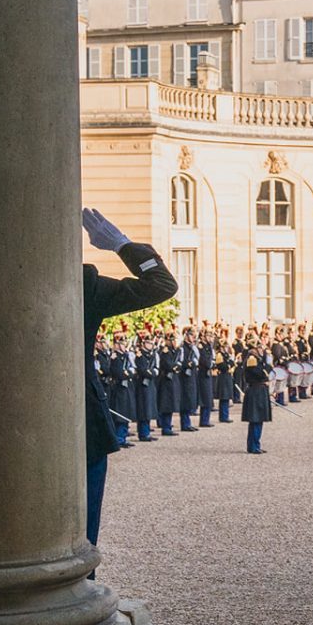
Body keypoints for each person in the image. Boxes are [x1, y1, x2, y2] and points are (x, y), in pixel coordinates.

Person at [80, 209, 178, 548]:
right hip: (81, 422)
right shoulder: (82, 284)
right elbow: (162, 285)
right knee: (83, 532)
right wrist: (122, 246)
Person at [241, 347, 273, 454]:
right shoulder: (252, 359)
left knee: (259, 420)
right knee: (255, 420)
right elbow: (259, 374)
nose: (262, 350)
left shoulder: (258, 359)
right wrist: (268, 367)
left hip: (260, 390)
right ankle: (253, 446)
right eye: (259, 347)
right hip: (255, 391)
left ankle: (255, 444)